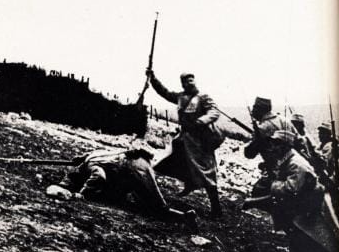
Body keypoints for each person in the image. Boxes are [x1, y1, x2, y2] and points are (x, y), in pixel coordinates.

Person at [252, 130, 339, 252]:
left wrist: (273, 184)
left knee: (313, 238)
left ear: (284, 146)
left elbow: (290, 189)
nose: (273, 147)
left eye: (276, 144)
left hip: (308, 206)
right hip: (302, 204)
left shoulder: (296, 164)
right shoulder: (287, 159)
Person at [48, 148, 197, 230]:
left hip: (133, 167)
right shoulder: (93, 155)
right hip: (131, 165)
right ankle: (181, 216)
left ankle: (185, 217)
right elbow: (88, 157)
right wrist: (80, 158)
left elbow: (99, 177)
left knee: (157, 206)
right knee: (117, 196)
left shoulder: (90, 166)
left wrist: (82, 194)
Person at [147, 70, 223, 219]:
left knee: (206, 172)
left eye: (191, 79)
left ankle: (216, 209)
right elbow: (165, 93)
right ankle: (189, 183)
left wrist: (202, 120)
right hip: (184, 139)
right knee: (172, 162)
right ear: (182, 83)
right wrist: (153, 79)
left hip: (200, 141)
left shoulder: (203, 97)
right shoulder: (180, 97)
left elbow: (214, 112)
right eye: (186, 80)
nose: (190, 82)